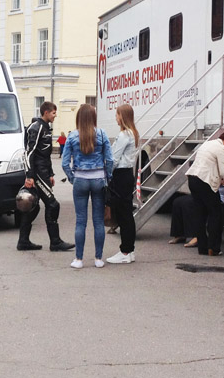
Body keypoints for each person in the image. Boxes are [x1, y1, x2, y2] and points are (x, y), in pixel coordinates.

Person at [17, 101, 75, 252]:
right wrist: (30, 176)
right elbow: (29, 153)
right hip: (36, 174)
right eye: (54, 113)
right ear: (46, 112)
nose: (56, 115)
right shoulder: (36, 128)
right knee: (53, 205)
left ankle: (23, 241)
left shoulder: (46, 128)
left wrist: (50, 174)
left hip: (43, 173)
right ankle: (55, 242)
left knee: (33, 207)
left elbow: (46, 155)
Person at [61, 104, 114, 269]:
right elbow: (110, 160)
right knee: (98, 221)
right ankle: (98, 259)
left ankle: (79, 259)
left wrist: (72, 178)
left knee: (81, 221)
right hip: (98, 179)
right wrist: (108, 176)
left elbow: (64, 163)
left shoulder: (72, 136)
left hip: (80, 180)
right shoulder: (101, 133)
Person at [184, 132, 224, 256]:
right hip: (205, 182)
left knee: (200, 214)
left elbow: (210, 166)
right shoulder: (223, 149)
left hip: (193, 179)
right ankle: (213, 247)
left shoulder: (207, 144)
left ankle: (202, 247)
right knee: (216, 214)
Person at [106, 104, 140, 264]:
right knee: (126, 213)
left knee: (122, 214)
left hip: (120, 175)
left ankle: (125, 252)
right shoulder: (132, 133)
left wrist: (107, 174)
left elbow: (114, 158)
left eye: (117, 114)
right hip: (127, 175)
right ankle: (129, 250)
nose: (116, 117)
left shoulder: (124, 135)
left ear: (123, 116)